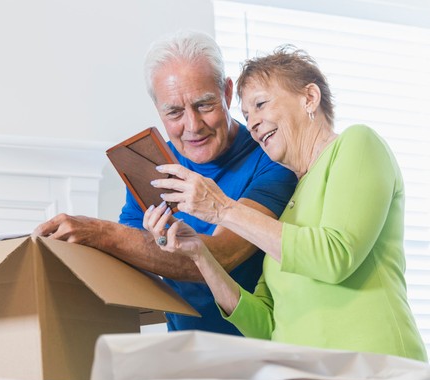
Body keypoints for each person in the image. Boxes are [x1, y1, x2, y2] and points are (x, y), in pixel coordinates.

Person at [143, 45, 427, 361]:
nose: (251, 123)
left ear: (309, 98)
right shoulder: (290, 203)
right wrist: (200, 254)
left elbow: (335, 256)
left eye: (261, 105)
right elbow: (265, 323)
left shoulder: (357, 143)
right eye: (247, 115)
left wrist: (223, 208)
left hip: (378, 373)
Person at [33, 31, 297, 335]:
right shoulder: (152, 163)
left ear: (226, 93)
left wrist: (100, 232)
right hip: (184, 347)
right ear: (158, 109)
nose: (192, 126)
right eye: (174, 112)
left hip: (264, 344)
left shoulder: (271, 157)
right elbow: (129, 259)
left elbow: (224, 255)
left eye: (204, 105)